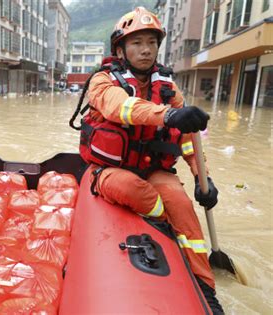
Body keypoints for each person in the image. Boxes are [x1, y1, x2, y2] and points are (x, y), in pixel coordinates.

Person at [70, 7, 224, 314]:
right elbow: (120, 108)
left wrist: (201, 179)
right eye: (137, 42)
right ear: (121, 49)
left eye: (151, 42)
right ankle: (164, 227)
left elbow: (187, 140)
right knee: (136, 190)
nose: (146, 49)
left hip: (154, 168)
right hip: (111, 170)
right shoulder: (103, 82)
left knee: (180, 201)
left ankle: (205, 288)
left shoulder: (167, 88)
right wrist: (168, 114)